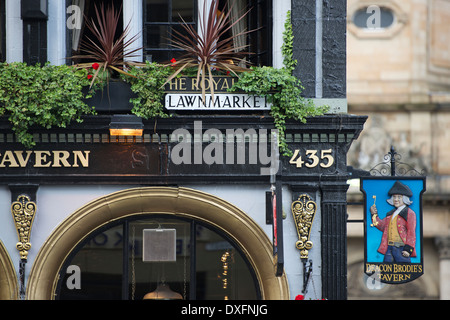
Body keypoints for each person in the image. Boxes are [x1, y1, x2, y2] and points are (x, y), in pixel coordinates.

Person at [370, 181, 416, 263]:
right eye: (394, 197)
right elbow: (382, 226)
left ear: (405, 198)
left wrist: (408, 249)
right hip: (389, 248)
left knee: (404, 272)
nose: (396, 199)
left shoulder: (410, 213)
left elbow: (411, 232)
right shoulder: (391, 214)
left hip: (401, 249)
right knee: (386, 272)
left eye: (399, 197)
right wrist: (374, 215)